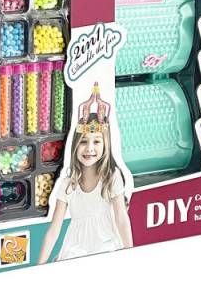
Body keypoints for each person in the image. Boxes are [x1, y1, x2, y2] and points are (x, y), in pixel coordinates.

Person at [38, 84, 133, 263]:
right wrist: (39, 265)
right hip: (76, 247)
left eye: (96, 142)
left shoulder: (111, 177)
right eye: (83, 142)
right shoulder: (68, 184)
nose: (89, 148)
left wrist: (130, 252)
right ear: (75, 145)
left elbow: (121, 218)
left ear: (105, 145)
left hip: (105, 244)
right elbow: (54, 229)